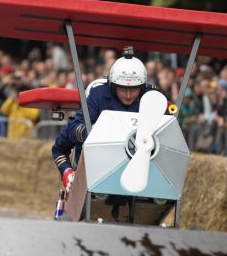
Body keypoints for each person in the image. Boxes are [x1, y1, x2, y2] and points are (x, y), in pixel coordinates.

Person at [52, 50, 161, 190]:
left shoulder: (153, 98)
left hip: (139, 178)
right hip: (94, 176)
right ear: (113, 86)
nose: (128, 95)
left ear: (142, 87)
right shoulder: (98, 96)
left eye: (134, 89)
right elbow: (62, 144)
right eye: (123, 89)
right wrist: (67, 171)